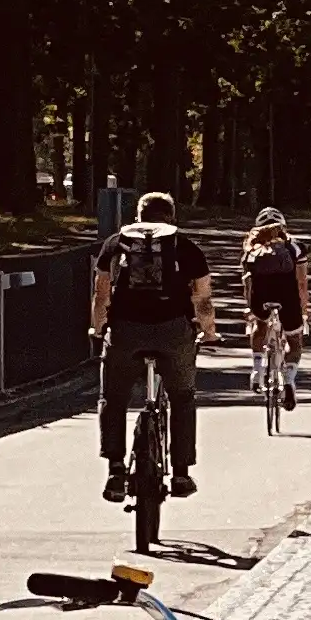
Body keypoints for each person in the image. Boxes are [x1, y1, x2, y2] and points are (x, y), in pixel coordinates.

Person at [94, 190, 215, 501]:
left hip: (126, 332)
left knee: (114, 397)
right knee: (183, 398)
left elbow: (101, 292)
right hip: (173, 331)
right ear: (171, 217)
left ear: (138, 215)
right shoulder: (184, 246)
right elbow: (202, 299)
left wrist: (98, 329)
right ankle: (181, 473)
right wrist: (208, 331)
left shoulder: (116, 243)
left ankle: (116, 468)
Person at [239, 208, 311, 385]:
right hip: (288, 299)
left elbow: (247, 281)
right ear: (283, 227)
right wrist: (304, 309)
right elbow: (301, 282)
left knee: (260, 324)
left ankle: (257, 369)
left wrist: (249, 307)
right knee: (294, 341)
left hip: (260, 298)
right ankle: (289, 380)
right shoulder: (295, 247)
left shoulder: (251, 248)